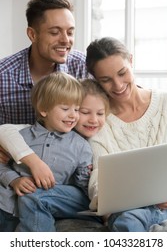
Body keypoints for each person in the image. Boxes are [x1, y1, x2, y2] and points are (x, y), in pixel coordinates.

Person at [85, 37, 167, 232]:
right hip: (126, 213)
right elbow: (98, 181)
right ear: (96, 80)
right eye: (106, 80)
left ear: (131, 61)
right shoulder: (98, 123)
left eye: (122, 73)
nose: (117, 85)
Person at [0, 75, 109, 231]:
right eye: (65, 109)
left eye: (77, 109)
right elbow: (2, 164)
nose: (73, 115)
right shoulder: (21, 136)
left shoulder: (81, 146)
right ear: (43, 109)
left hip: (46, 202)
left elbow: (84, 185)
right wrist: (14, 180)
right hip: (7, 206)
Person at [0, 0, 88, 125]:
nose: (65, 40)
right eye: (54, 32)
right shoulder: (3, 75)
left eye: (70, 32)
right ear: (32, 35)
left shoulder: (83, 67)